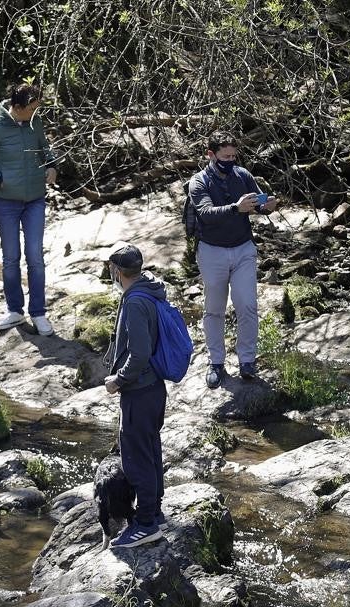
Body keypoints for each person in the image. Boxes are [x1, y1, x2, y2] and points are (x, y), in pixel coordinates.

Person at [0, 82, 59, 336]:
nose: (35, 113)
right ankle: (15, 311)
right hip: (6, 204)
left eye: (37, 108)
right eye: (31, 109)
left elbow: (45, 149)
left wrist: (51, 165)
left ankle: (38, 313)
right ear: (16, 108)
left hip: (36, 200)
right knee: (11, 259)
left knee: (36, 258)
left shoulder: (35, 123)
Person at [187, 132, 278, 386]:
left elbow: (256, 202)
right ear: (211, 155)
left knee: (247, 305)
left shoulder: (243, 175)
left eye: (233, 156)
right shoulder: (199, 182)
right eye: (225, 156)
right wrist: (235, 208)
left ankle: (247, 361)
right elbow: (205, 213)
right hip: (211, 251)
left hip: (243, 250)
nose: (230, 160)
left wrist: (266, 204)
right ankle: (216, 363)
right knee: (214, 309)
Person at [104, 243, 168, 548]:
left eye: (110, 269)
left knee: (136, 460)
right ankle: (154, 510)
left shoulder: (133, 303)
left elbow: (140, 353)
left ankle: (145, 524)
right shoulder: (149, 291)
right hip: (154, 389)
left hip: (139, 392)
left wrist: (118, 379)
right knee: (150, 450)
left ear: (117, 271)